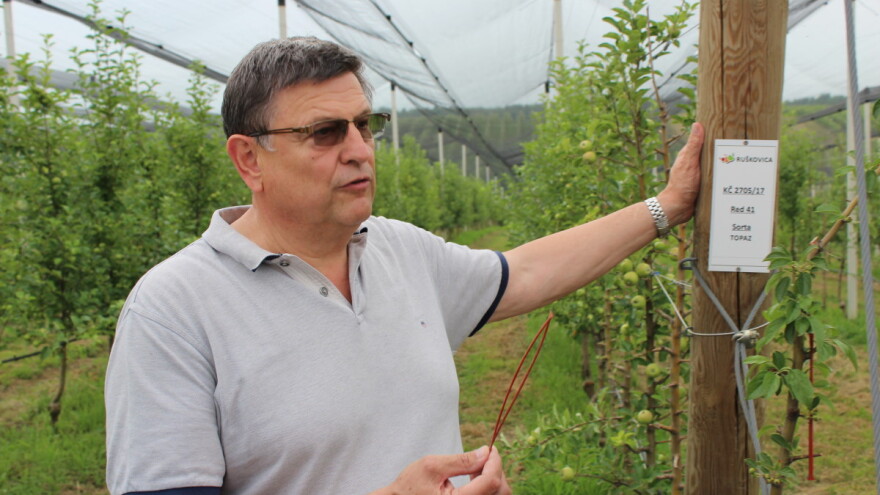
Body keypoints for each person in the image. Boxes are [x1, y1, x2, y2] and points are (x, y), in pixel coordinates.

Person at [104, 37, 704, 495]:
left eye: (365, 125)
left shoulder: (396, 249)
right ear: (249, 160)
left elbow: (524, 273)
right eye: (324, 133)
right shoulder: (173, 311)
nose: (360, 149)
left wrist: (666, 207)